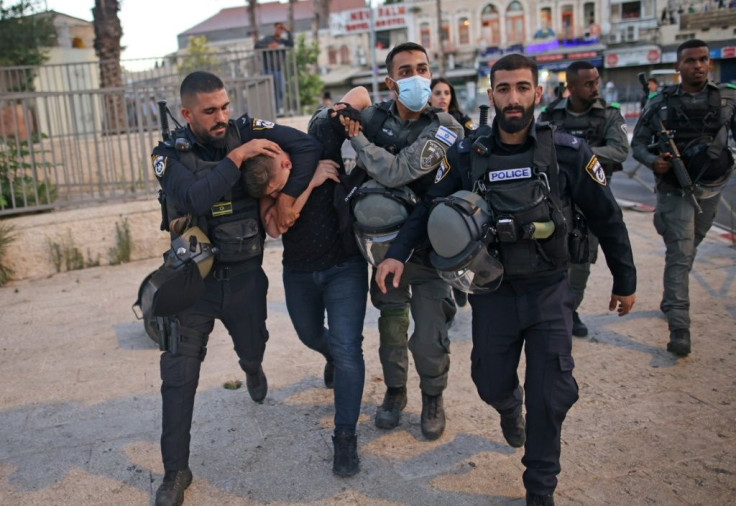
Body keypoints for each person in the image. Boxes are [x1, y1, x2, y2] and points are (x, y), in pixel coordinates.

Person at [375, 54, 637, 505]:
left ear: (538, 93)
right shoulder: (467, 154)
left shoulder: (569, 153)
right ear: (491, 94)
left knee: (550, 394)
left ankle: (540, 490)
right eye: (503, 89)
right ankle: (508, 408)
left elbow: (607, 218)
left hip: (548, 291)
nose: (512, 98)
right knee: (490, 382)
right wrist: (397, 254)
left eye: (521, 88)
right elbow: (428, 207)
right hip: (492, 292)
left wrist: (625, 278)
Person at [150, 71, 321, 506]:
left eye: (224, 106)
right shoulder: (169, 155)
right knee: (179, 374)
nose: (222, 117)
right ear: (188, 113)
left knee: (254, 344)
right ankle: (175, 471)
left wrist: (286, 196)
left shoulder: (247, 129)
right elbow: (192, 199)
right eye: (210, 111)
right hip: (195, 281)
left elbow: (306, 145)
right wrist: (238, 158)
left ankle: (251, 366)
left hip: (245, 279)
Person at [335, 42, 465, 440]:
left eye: (422, 69)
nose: (417, 77)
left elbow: (397, 172)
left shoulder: (447, 127)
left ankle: (432, 396)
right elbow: (324, 126)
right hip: (380, 251)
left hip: (427, 251)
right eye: (406, 71)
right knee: (391, 331)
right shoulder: (372, 116)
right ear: (391, 82)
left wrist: (359, 141)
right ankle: (395, 392)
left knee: (428, 338)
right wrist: (344, 108)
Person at [244, 106, 369, 476]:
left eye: (280, 182)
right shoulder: (265, 175)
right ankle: (334, 359)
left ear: (284, 159)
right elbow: (277, 225)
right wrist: (308, 184)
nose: (278, 190)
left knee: (349, 349)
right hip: (299, 273)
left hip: (344, 267)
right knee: (310, 334)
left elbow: (359, 94)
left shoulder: (318, 147)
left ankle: (345, 436)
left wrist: (349, 114)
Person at [632, 39, 736, 357]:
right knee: (680, 254)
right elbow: (637, 144)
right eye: (691, 61)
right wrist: (654, 161)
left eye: (704, 59)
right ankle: (680, 328)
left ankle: (671, 298)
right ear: (678, 66)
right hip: (675, 190)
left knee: (689, 249)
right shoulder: (661, 104)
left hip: (712, 188)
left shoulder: (725, 100)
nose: (699, 66)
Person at [539, 61, 630, 338]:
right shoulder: (550, 113)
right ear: (571, 88)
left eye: (596, 82)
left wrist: (576, 154)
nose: (595, 88)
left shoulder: (609, 115)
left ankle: (570, 310)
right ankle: (558, 312)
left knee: (580, 265)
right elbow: (540, 148)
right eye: (588, 83)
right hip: (558, 201)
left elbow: (619, 151)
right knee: (555, 260)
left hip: (592, 200)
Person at [429, 76, 476, 308]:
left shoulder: (463, 122)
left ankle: (458, 281)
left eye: (446, 93)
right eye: (437, 93)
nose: (443, 97)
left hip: (456, 189)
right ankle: (445, 290)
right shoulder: (426, 122)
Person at [255, 22, 294, 114]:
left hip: (278, 70)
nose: (278, 30)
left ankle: (277, 111)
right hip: (268, 69)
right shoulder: (268, 39)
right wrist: (268, 46)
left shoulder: (283, 41)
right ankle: (269, 111)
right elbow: (256, 45)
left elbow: (291, 44)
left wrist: (288, 31)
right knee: (269, 91)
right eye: (277, 28)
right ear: (274, 28)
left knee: (279, 91)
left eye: (281, 28)